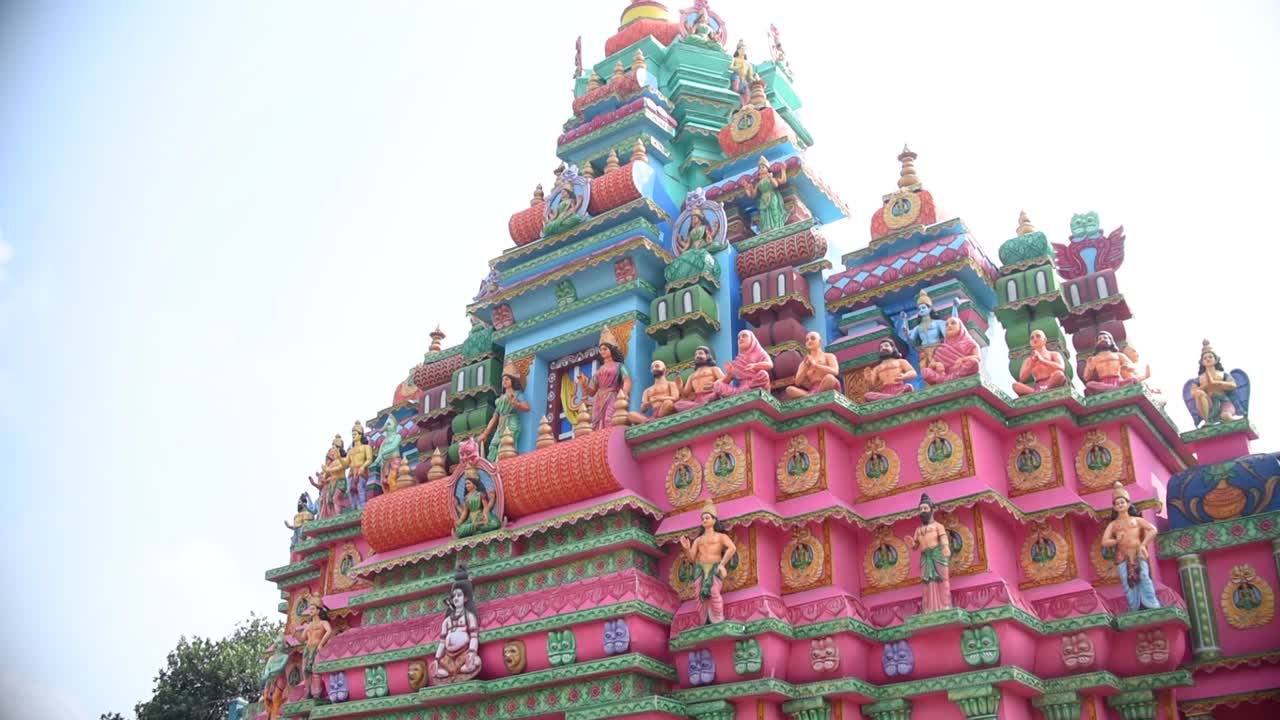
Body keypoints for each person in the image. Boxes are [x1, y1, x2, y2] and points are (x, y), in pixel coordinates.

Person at [1101, 482, 1161, 612]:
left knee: (1144, 576)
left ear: (1128, 504)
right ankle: (1134, 607)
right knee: (1126, 581)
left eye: (1122, 502)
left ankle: (1152, 604)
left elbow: (1153, 530)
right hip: (1122, 555)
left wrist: (1143, 544)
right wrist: (1116, 540)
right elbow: (1104, 541)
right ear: (1114, 507)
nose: (1120, 505)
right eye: (1117, 503)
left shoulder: (1137, 520)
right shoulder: (1113, 525)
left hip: (1138, 552)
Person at [677, 501, 737, 625]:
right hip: (700, 568)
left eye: (707, 518)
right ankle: (704, 621)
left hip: (715, 567)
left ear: (714, 520)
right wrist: (686, 548)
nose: (704, 520)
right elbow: (692, 558)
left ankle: (718, 619)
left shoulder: (720, 537)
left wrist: (722, 564)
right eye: (703, 518)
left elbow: (732, 548)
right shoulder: (698, 540)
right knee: (699, 595)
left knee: (714, 592)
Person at [904, 493, 951, 612]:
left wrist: (946, 547)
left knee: (942, 580)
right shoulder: (918, 530)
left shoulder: (938, 526)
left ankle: (945, 605)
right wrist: (911, 544)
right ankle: (929, 608)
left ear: (931, 510)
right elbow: (915, 546)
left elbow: (943, 537)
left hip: (938, 555)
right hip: (925, 557)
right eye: (921, 509)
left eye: (925, 508)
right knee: (927, 583)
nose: (923, 511)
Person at [576, 328, 632, 429]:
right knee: (597, 424)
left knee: (609, 419)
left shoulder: (619, 366)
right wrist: (583, 384)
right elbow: (592, 392)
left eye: (605, 349)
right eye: (601, 350)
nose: (602, 351)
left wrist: (624, 393)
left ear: (612, 350)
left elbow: (626, 380)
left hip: (612, 395)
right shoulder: (599, 371)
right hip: (599, 399)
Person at [433, 567, 482, 682]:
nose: (456, 598)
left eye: (459, 595)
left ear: (465, 598)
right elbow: (442, 643)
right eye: (454, 596)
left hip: (464, 654)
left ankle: (457, 671)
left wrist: (471, 653)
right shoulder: (447, 621)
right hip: (448, 657)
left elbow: (474, 638)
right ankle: (452, 672)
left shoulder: (469, 617)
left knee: (476, 662)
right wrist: (437, 658)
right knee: (436, 670)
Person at [480, 368, 529, 461]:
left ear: (512, 380)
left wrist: (516, 403)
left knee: (507, 446)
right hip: (501, 425)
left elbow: (527, 407)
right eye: (503, 380)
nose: (504, 381)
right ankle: (494, 466)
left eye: (507, 379)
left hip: (511, 422)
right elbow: (494, 417)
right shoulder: (500, 399)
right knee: (493, 446)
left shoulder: (517, 394)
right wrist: (485, 433)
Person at [920, 315, 981, 385]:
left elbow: (978, 358)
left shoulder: (970, 343)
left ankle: (951, 379)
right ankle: (948, 379)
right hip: (943, 375)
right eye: (946, 325)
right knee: (925, 371)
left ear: (961, 327)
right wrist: (937, 364)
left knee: (974, 362)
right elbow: (930, 366)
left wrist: (962, 359)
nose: (949, 325)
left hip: (960, 371)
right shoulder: (942, 347)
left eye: (953, 323)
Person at [713, 330, 773, 397]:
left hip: (754, 384)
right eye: (739, 338)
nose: (740, 339)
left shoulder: (760, 353)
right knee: (717, 385)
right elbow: (726, 381)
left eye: (744, 336)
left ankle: (748, 391)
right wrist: (729, 373)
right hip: (740, 389)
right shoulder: (738, 360)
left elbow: (770, 364)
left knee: (763, 374)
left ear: (752, 339)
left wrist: (755, 366)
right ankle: (740, 394)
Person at [784, 331, 841, 399]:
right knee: (789, 389)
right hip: (813, 390)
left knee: (830, 378)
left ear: (819, 341)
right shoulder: (804, 363)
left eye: (813, 338)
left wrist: (816, 366)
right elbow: (797, 382)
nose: (809, 341)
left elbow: (835, 371)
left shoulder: (828, 356)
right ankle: (814, 396)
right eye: (807, 340)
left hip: (827, 385)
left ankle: (815, 396)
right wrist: (806, 367)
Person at [297, 599, 333, 699]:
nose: (311, 611)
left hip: (317, 648)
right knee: (305, 670)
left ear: (318, 610)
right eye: (310, 609)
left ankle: (317, 692)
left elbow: (329, 631)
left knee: (315, 669)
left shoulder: (323, 623)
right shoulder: (308, 625)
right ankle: (308, 691)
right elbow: (302, 639)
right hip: (308, 649)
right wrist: (295, 634)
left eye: (313, 609)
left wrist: (321, 644)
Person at [1012, 330, 1068, 396]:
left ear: (1044, 339)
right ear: (1030, 343)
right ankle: (1036, 392)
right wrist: (1031, 365)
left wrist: (1042, 360)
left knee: (1059, 374)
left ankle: (1044, 390)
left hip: (1051, 381)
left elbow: (1061, 367)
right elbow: (1022, 379)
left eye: (1038, 336)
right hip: (1038, 385)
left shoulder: (1053, 354)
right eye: (1032, 338)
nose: (1035, 339)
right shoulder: (1028, 360)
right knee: (1015, 385)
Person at [1082, 331, 1138, 396]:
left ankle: (1113, 388)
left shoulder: (1119, 355)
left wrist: (1127, 367)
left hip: (1119, 381)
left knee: (1134, 379)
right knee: (1089, 384)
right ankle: (1114, 388)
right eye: (1100, 339)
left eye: (1105, 338)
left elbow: (1133, 367)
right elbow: (1086, 377)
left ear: (1111, 341)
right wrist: (1089, 367)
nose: (1102, 340)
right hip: (1103, 383)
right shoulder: (1093, 359)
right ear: (1097, 343)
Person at [744, 156, 787, 232]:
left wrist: (782, 171)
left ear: (767, 169)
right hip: (763, 199)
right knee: (763, 213)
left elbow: (776, 184)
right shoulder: (758, 183)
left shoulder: (770, 177)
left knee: (774, 210)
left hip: (772, 196)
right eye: (759, 168)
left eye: (763, 167)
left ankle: (776, 226)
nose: (761, 169)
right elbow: (753, 195)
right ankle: (766, 228)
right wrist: (747, 189)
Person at [675, 346, 725, 411]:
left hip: (710, 394)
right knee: (678, 404)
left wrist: (714, 384)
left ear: (707, 356)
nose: (697, 356)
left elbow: (723, 379)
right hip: (697, 399)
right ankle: (699, 405)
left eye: (700, 353)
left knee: (715, 395)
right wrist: (680, 387)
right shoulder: (692, 376)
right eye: (696, 355)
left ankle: (700, 405)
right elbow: (686, 394)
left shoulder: (713, 369)